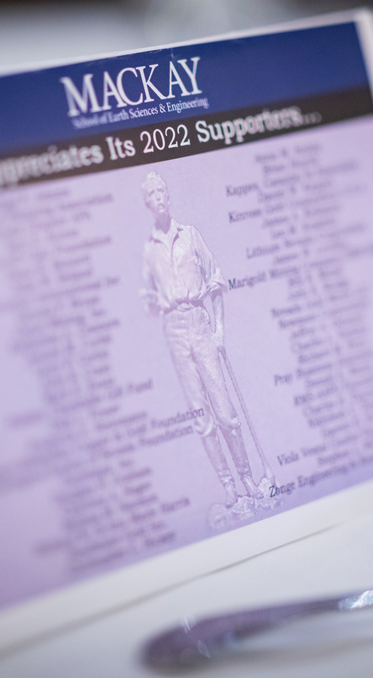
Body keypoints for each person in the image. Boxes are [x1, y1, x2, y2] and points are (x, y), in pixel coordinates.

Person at [140, 171, 261, 507]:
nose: (159, 196)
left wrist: (219, 330)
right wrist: (157, 305)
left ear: (169, 196)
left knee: (226, 414)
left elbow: (217, 281)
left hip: (200, 322)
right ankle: (228, 486)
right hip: (174, 332)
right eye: (153, 193)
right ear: (147, 203)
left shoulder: (191, 236)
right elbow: (147, 299)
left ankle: (246, 476)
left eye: (162, 190)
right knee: (200, 417)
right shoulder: (149, 251)